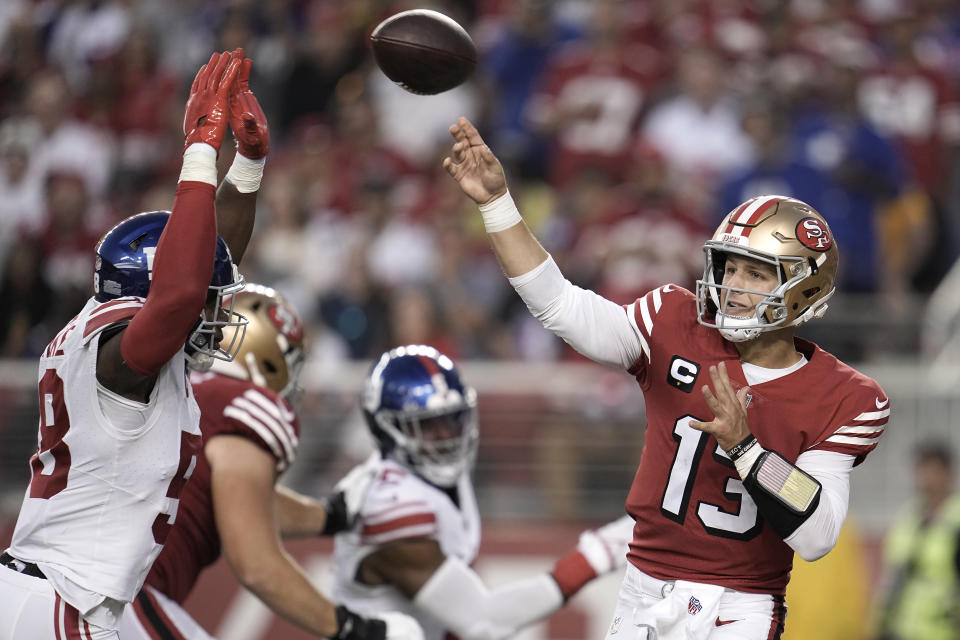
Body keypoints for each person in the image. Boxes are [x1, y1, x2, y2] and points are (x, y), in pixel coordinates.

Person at [442, 117, 890, 639]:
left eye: (756, 273)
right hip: (643, 588)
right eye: (728, 267)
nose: (733, 285)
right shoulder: (672, 320)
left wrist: (747, 449)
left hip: (739, 606)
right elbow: (560, 305)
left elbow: (817, 537)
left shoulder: (848, 397)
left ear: (804, 291)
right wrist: (497, 205)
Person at [0, 50, 248, 639]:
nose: (216, 312)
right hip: (63, 601)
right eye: (203, 300)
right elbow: (183, 293)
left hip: (46, 591)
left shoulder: (106, 332)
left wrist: (251, 165)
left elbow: (208, 268)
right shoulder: (120, 352)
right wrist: (200, 149)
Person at [117, 285, 422, 640]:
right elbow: (256, 564)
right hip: (120, 596)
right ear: (266, 356)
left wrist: (332, 516)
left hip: (68, 581)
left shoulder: (186, 391)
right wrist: (354, 629)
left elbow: (238, 499)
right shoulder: (243, 406)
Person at [332, 344, 635, 640]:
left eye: (451, 419)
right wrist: (598, 554)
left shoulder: (439, 479)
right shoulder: (389, 505)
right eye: (426, 426)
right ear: (386, 428)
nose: (446, 436)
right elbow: (483, 622)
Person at [874, 440, 960, 640]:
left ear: (948, 473)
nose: (926, 478)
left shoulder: (956, 518)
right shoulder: (908, 518)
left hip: (942, 631)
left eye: (933, 470)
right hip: (900, 628)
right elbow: (891, 576)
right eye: (922, 470)